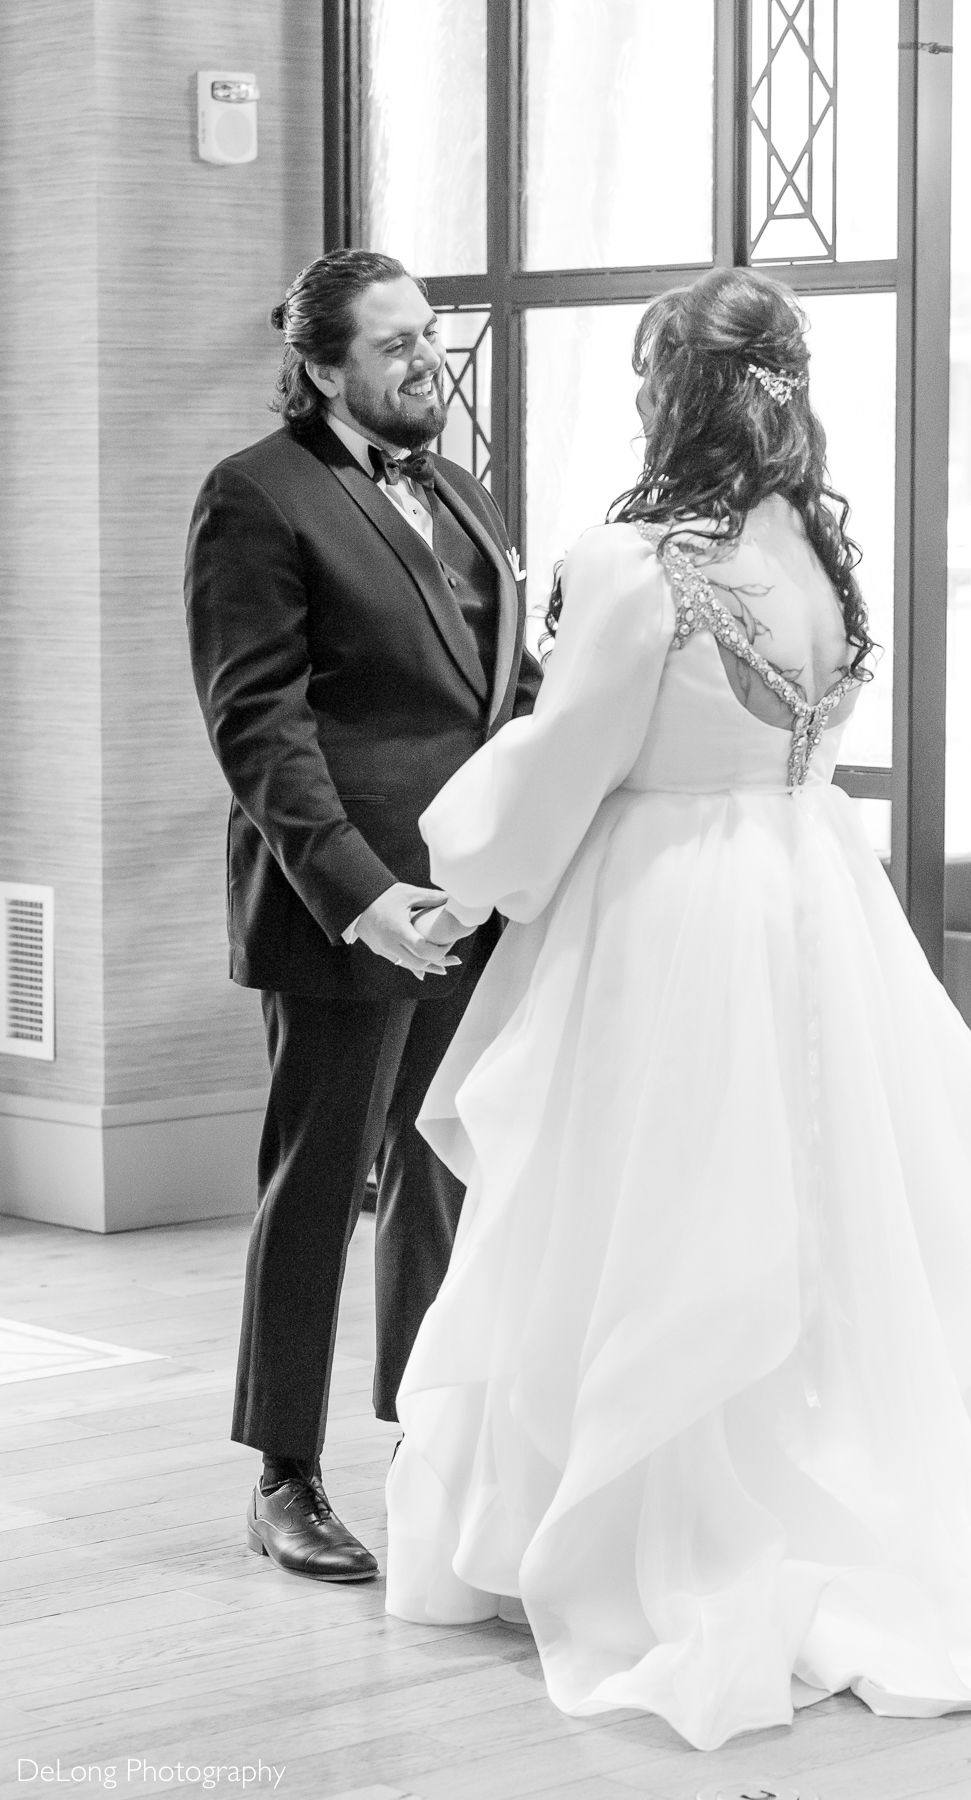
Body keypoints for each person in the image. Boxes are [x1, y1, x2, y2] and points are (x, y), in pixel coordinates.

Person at [382, 266, 971, 1748]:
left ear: (670, 392)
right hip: (809, 896)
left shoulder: (635, 563)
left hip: (673, 912)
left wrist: (465, 858)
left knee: (659, 1217)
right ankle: (823, 1465)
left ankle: (672, 1526)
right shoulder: (811, 557)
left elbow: (566, 772)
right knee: (812, 1217)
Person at [184, 249, 541, 1582]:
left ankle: (425, 1441)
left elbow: (501, 692)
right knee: (318, 1181)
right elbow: (256, 726)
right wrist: (359, 894)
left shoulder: (465, 491)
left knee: (441, 1174)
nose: (426, 360)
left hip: (474, 900)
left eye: (429, 336)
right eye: (394, 346)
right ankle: (284, 1473)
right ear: (321, 365)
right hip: (343, 905)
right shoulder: (254, 498)